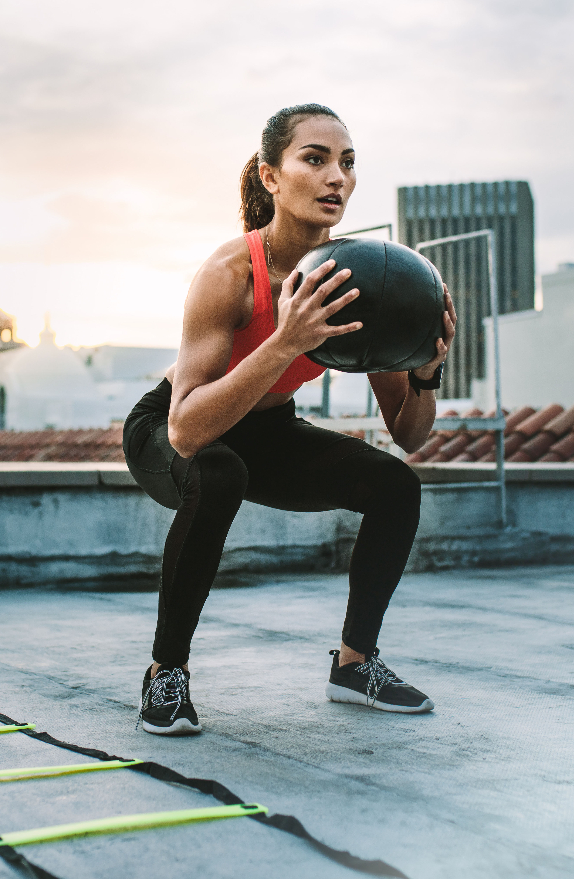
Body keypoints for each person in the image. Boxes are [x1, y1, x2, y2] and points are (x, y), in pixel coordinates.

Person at [123, 103, 457, 735]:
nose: (337, 177)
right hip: (171, 425)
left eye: (348, 163)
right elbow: (186, 431)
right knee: (217, 473)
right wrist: (284, 341)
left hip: (268, 429)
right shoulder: (229, 274)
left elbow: (410, 435)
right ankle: (166, 672)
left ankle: (356, 665)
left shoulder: (358, 279)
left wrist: (424, 370)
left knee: (396, 487)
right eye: (315, 158)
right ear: (270, 176)